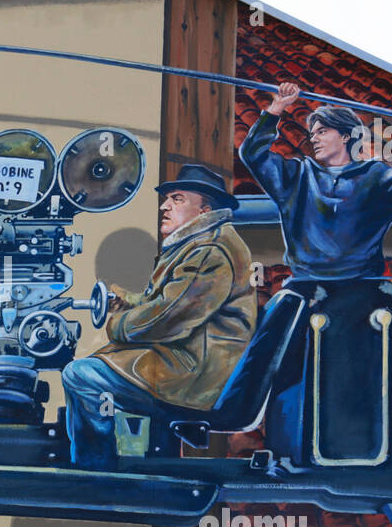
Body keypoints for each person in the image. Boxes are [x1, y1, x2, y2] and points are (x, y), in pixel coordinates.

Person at [61, 163, 256, 470]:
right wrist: (124, 299)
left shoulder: (209, 251)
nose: (165, 206)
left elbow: (166, 320)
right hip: (193, 361)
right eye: (167, 199)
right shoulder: (202, 243)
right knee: (107, 366)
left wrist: (117, 323)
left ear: (204, 207)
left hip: (196, 374)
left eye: (177, 199)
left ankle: (95, 470)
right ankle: (143, 462)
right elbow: (168, 300)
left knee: (82, 375)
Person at [238, 81, 392, 280]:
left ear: (346, 136)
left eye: (322, 132)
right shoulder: (297, 176)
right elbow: (252, 154)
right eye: (313, 134)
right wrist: (277, 107)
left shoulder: (376, 177)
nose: (313, 139)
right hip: (306, 285)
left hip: (363, 286)